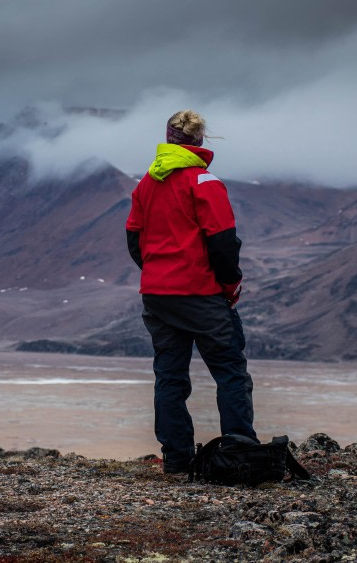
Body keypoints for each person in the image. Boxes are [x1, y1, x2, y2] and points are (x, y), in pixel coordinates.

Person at [125, 109, 259, 474]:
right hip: (200, 294)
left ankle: (177, 459)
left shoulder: (146, 184)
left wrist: (156, 272)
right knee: (230, 372)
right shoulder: (204, 183)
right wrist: (229, 286)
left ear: (169, 139)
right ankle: (239, 453)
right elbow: (223, 242)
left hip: (158, 295)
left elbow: (134, 238)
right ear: (199, 140)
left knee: (170, 376)